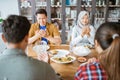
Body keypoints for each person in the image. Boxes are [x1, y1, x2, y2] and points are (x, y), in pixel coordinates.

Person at [0, 15, 58, 80]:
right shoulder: (44, 68)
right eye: (39, 18)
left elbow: (58, 41)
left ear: (3, 38)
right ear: (27, 38)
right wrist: (45, 65)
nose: (41, 20)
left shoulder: (52, 26)